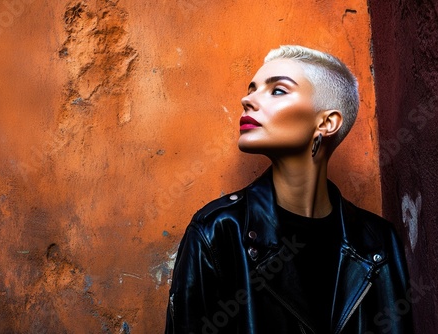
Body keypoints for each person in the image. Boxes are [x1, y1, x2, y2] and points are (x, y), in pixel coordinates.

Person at [165, 45, 413, 334]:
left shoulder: (378, 242)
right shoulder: (218, 231)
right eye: (252, 89)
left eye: (277, 90)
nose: (247, 100)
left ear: (326, 122)